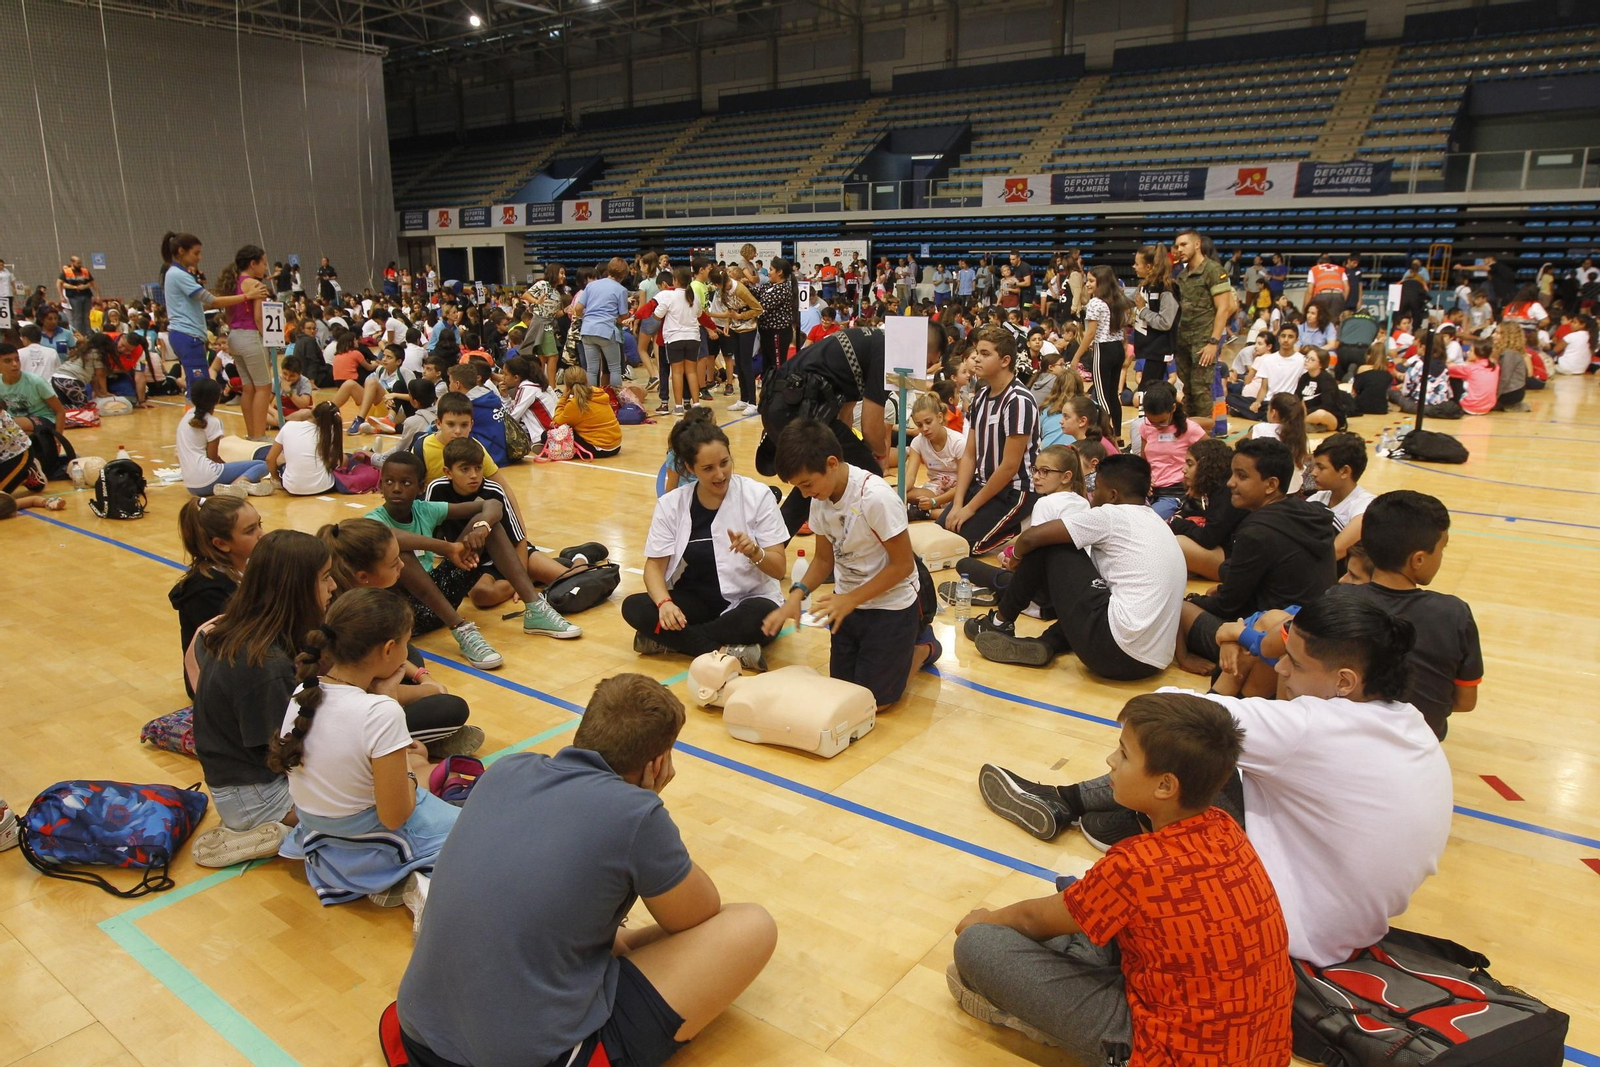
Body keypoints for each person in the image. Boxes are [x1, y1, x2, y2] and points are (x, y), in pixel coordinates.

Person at [978, 593, 1451, 968]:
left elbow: (1167, 710)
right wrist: (1253, 644)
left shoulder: (1311, 728)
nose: (1281, 668)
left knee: (1189, 749)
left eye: (1297, 663)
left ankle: (1071, 805)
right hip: (1349, 924)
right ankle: (1099, 819)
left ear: (1345, 681)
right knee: (1220, 761)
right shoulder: (1409, 722)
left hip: (1282, 926)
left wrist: (1241, 649)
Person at [397, 673, 777, 1067]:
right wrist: (643, 802)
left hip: (419, 1035)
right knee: (750, 925)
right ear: (659, 762)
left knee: (598, 924)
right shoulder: (634, 812)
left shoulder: (508, 770)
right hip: (527, 1056)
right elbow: (697, 916)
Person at [950, 691, 1294, 1065]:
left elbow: (1033, 919)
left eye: (1125, 754)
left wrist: (982, 921)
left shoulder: (1136, 865)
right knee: (1084, 899)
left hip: (1165, 1051)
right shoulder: (1226, 828)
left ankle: (1045, 1023)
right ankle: (1077, 951)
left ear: (1165, 786)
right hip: (1258, 1046)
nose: (1111, 761)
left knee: (980, 945)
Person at [271, 587, 460, 907]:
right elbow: (395, 816)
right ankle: (405, 878)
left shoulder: (306, 689)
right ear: (388, 649)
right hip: (371, 836)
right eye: (406, 643)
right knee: (482, 831)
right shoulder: (381, 714)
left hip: (318, 830)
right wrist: (408, 771)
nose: (407, 654)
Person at [964, 453, 1184, 681]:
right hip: (1153, 662)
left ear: (1112, 495)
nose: (1092, 493)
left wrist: (1016, 557)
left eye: (1096, 487)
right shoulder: (1159, 524)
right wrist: (1183, 656)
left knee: (1047, 544)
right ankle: (1047, 644)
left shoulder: (1110, 514)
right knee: (1106, 600)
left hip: (1112, 652)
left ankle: (998, 623)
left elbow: (1030, 538)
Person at [186, 530, 334, 867]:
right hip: (255, 795)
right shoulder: (265, 665)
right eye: (325, 578)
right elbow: (284, 754)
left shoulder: (254, 630)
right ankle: (270, 830)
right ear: (296, 590)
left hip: (246, 781)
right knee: (366, 801)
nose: (333, 587)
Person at [763, 419, 936, 709]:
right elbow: (822, 559)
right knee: (842, 693)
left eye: (807, 484)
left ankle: (922, 647)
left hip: (890, 605)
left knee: (873, 704)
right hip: (848, 605)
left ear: (832, 463)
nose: (804, 494)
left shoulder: (876, 498)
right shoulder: (820, 496)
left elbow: (904, 565)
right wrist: (796, 595)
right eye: (798, 487)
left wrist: (849, 600)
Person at [625, 411, 788, 669]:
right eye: (708, 469)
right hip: (697, 599)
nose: (720, 474)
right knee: (634, 607)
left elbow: (779, 569)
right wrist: (665, 603)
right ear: (690, 468)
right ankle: (726, 649)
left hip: (749, 598)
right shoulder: (672, 504)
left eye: (725, 463)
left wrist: (755, 552)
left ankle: (672, 640)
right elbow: (654, 567)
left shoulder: (758, 496)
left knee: (763, 618)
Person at [370, 451, 574, 656]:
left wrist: (482, 527)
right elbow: (389, 537)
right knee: (400, 554)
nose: (396, 489)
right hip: (404, 615)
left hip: (437, 602)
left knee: (488, 526)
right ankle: (462, 629)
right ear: (381, 485)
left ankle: (535, 608)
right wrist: (448, 548)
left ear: (420, 487)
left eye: (405, 483)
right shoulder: (372, 519)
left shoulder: (424, 509)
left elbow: (493, 505)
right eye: (389, 482)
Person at [756, 322, 946, 533]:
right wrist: (881, 459)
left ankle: (790, 541)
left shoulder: (871, 341)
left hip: (780, 404)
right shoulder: (888, 355)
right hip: (795, 409)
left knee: (828, 474)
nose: (925, 368)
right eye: (928, 361)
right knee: (865, 473)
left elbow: (846, 413)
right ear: (921, 349)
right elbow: (870, 427)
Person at [1327, 490, 1480, 740]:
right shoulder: (1455, 613)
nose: (1441, 556)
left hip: (1347, 737)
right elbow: (1465, 701)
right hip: (1421, 744)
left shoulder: (1337, 600)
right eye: (1441, 549)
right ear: (1418, 559)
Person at [1176, 438, 1335, 673]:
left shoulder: (1257, 531)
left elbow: (1228, 606)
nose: (1230, 483)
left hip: (1272, 645)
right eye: (1232, 474)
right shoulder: (1312, 513)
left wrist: (1194, 600)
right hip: (1318, 636)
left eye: (1241, 476)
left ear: (1271, 485)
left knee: (1179, 608)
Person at [942, 326, 1038, 554]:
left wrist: (969, 509)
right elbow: (968, 454)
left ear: (1005, 360)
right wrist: (957, 504)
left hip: (1015, 491)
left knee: (964, 547)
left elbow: (1009, 467)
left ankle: (1021, 523)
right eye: (977, 352)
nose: (976, 358)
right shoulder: (981, 397)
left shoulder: (1019, 400)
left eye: (985, 354)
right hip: (982, 485)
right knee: (943, 535)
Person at [169, 495, 262, 693]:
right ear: (221, 544)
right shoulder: (206, 591)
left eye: (260, 524)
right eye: (250, 530)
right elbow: (228, 652)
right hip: (210, 682)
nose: (262, 534)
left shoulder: (250, 566)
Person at [161, 233, 268, 390]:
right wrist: (248, 296)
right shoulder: (178, 274)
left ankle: (196, 414)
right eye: (196, 253)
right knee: (200, 387)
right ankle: (197, 415)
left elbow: (204, 305)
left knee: (244, 388)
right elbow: (213, 301)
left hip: (202, 336)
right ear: (181, 251)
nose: (199, 257)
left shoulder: (178, 274)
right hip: (188, 335)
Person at [1171, 230, 1237, 417]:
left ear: (1197, 244)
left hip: (1204, 342)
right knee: (1189, 390)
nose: (1179, 249)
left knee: (1201, 390)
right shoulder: (1183, 275)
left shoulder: (1213, 270)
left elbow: (1225, 308)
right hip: (1183, 341)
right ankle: (1191, 432)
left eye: (1184, 244)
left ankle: (1205, 435)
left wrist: (1213, 342)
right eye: (1177, 246)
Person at [177, 378, 273, 497]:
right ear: (217, 399)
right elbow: (213, 457)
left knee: (238, 470)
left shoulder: (187, 415)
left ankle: (244, 486)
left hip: (191, 486)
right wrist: (226, 465)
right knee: (262, 465)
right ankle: (234, 486)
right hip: (208, 478)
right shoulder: (212, 422)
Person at [215, 245, 273, 441]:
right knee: (263, 387)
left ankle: (251, 433)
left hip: (234, 337)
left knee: (248, 388)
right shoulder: (255, 285)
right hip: (250, 337)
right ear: (253, 263)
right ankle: (259, 434)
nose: (266, 268)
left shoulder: (233, 283)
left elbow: (229, 315)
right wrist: (268, 337)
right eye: (264, 263)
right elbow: (258, 318)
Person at [1127, 382, 1208, 519]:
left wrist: (1197, 483)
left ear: (1173, 408)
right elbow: (1144, 461)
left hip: (1175, 494)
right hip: (1149, 492)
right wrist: (1145, 479)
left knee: (1147, 520)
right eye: (1152, 422)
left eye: (1162, 421)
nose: (1157, 426)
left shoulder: (1190, 428)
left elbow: (1214, 454)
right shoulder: (1145, 426)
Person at [1168, 436, 1244, 581]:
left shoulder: (1226, 492)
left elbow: (1208, 538)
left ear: (1206, 467)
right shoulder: (1211, 489)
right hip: (1223, 549)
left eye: (1190, 464)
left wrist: (1177, 523)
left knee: (1177, 543)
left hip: (1233, 560)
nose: (1184, 470)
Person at [1066, 266, 1132, 432]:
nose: (1087, 284)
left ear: (1101, 282)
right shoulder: (1118, 300)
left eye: (1091, 281)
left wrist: (1076, 357)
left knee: (1102, 397)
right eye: (1087, 280)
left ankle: (1106, 435)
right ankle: (1117, 434)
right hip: (1117, 348)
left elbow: (1090, 334)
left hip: (1103, 349)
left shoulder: (1095, 302)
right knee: (1112, 395)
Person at [264, 401, 356, 496]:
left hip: (293, 488)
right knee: (344, 457)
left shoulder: (289, 426)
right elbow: (333, 458)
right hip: (325, 486)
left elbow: (269, 458)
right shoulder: (329, 431)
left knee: (280, 457)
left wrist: (275, 478)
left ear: (312, 411)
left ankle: (278, 481)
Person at [1308, 432, 1373, 564]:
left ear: (1344, 471)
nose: (1313, 473)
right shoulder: (1318, 498)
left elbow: (1336, 551)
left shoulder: (1365, 506)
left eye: (1321, 467)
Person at [904, 392, 967, 522]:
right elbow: (910, 478)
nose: (924, 429)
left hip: (959, 491)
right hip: (935, 489)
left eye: (928, 422)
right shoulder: (917, 442)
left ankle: (927, 513)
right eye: (919, 425)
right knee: (902, 493)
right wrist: (898, 493)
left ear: (939, 417)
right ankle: (928, 511)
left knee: (965, 512)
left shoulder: (958, 442)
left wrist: (934, 501)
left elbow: (964, 483)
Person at [1131, 243, 1180, 392]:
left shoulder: (1166, 288)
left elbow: (1165, 322)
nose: (1134, 266)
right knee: (1149, 391)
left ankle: (1149, 415)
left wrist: (1142, 310)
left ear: (1149, 267)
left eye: (1137, 263)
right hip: (1146, 348)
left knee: (1148, 391)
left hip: (1159, 350)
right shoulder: (1145, 285)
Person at [555, 366, 622, 458]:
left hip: (599, 448)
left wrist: (563, 398)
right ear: (586, 380)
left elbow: (557, 421)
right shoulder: (600, 393)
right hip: (616, 446)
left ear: (566, 385)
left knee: (548, 435)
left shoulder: (575, 403)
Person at [0, 344, 66, 434]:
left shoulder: (36, 381)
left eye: (17, 359)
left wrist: (58, 441)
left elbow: (60, 411)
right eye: (8, 361)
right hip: (15, 421)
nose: (15, 364)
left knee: (10, 425)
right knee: (19, 432)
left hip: (44, 419)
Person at [1297, 346, 1347, 431]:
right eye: (1307, 357)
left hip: (1331, 417)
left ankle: (1297, 426)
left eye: (1312, 359)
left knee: (1320, 414)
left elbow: (1327, 406)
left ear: (1320, 365)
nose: (1307, 361)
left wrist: (1307, 412)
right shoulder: (1304, 377)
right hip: (1307, 414)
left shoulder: (1327, 379)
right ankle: (1306, 425)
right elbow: (1297, 397)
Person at [57, 255, 99, 335]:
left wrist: (97, 294)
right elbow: (59, 283)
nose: (80, 265)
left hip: (86, 295)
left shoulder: (85, 271)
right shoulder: (66, 272)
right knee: (78, 316)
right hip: (74, 296)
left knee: (86, 316)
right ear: (72, 263)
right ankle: (78, 334)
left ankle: (88, 334)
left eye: (80, 263)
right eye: (78, 263)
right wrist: (61, 295)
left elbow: (92, 283)